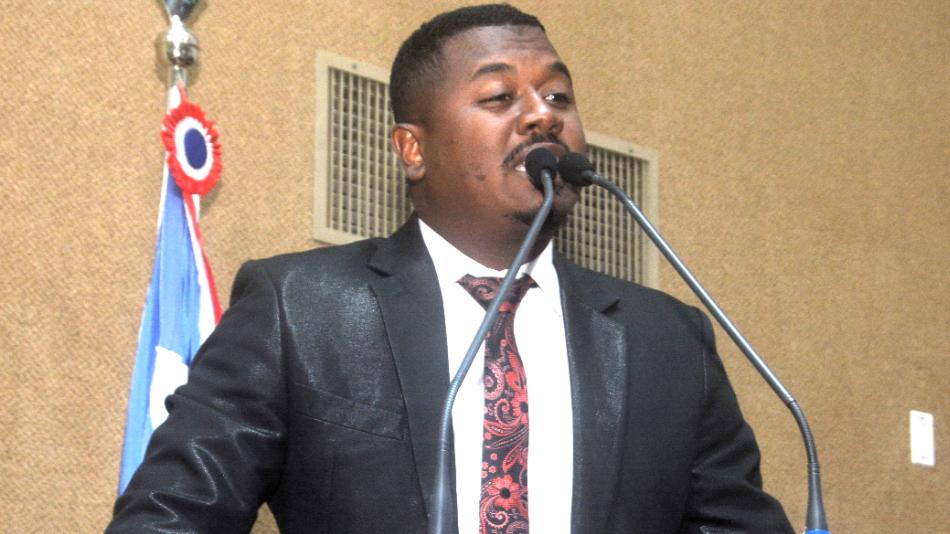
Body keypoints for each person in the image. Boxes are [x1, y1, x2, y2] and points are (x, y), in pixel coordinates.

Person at [108, 4, 794, 533]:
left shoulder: (668, 341)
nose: (542, 117)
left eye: (558, 97)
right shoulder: (301, 309)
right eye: (500, 98)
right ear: (413, 149)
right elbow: (171, 516)